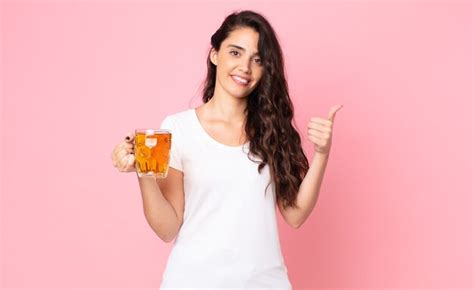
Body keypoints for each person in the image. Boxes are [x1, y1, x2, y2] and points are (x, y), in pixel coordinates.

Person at [111, 9, 342, 290]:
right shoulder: (178, 128)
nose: (245, 66)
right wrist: (144, 172)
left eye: (257, 60)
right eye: (235, 52)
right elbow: (167, 227)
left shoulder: (272, 130)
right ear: (214, 54)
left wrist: (322, 153)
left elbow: (295, 215)